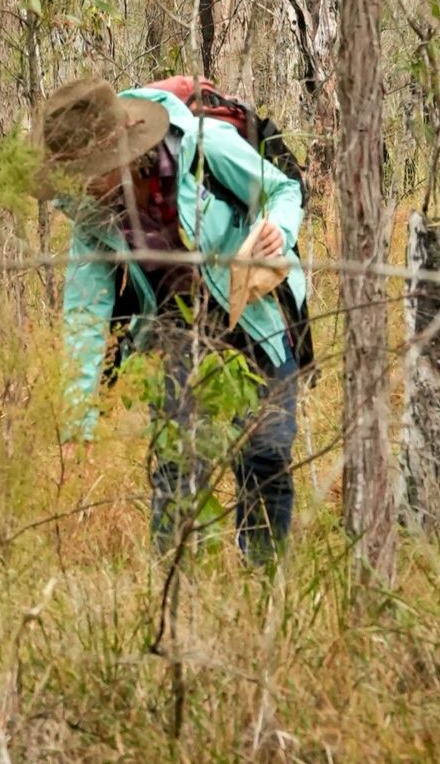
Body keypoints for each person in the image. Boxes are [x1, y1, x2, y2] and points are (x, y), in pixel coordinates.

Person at [37, 76, 308, 562]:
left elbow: (281, 190)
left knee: (264, 453)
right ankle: (176, 587)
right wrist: (78, 415)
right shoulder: (92, 214)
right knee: (176, 467)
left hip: (253, 314)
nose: (85, 188)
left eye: (92, 172)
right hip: (176, 330)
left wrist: (277, 230)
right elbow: (85, 312)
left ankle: (263, 580)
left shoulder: (202, 147)